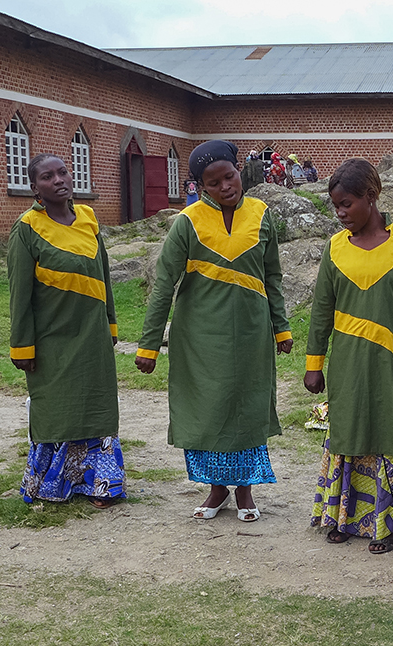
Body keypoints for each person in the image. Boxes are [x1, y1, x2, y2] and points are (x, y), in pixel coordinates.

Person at [136, 140, 292, 522]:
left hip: (252, 335)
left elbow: (272, 276)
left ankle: (245, 490)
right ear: (201, 187)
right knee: (207, 409)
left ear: (240, 171)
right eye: (214, 182)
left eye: (230, 176)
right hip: (200, 338)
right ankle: (216, 489)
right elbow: (163, 285)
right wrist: (149, 345)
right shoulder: (187, 223)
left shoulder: (262, 214)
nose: (225, 186)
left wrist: (281, 327)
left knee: (247, 406)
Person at [305, 158, 393, 554]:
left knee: (389, 431)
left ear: (371, 197)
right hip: (348, 363)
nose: (340, 213)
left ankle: (386, 525)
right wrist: (314, 363)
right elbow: (322, 310)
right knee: (349, 430)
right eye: (335, 206)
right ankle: (342, 518)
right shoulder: (335, 249)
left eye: (347, 204)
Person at [8, 154, 125, 508]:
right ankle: (51, 483)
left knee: (97, 405)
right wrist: (22, 346)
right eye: (47, 176)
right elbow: (19, 293)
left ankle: (102, 484)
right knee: (57, 407)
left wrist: (110, 323)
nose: (58, 180)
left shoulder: (88, 218)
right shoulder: (26, 228)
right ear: (35, 187)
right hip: (52, 336)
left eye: (63, 172)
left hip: (91, 333)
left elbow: (103, 274)